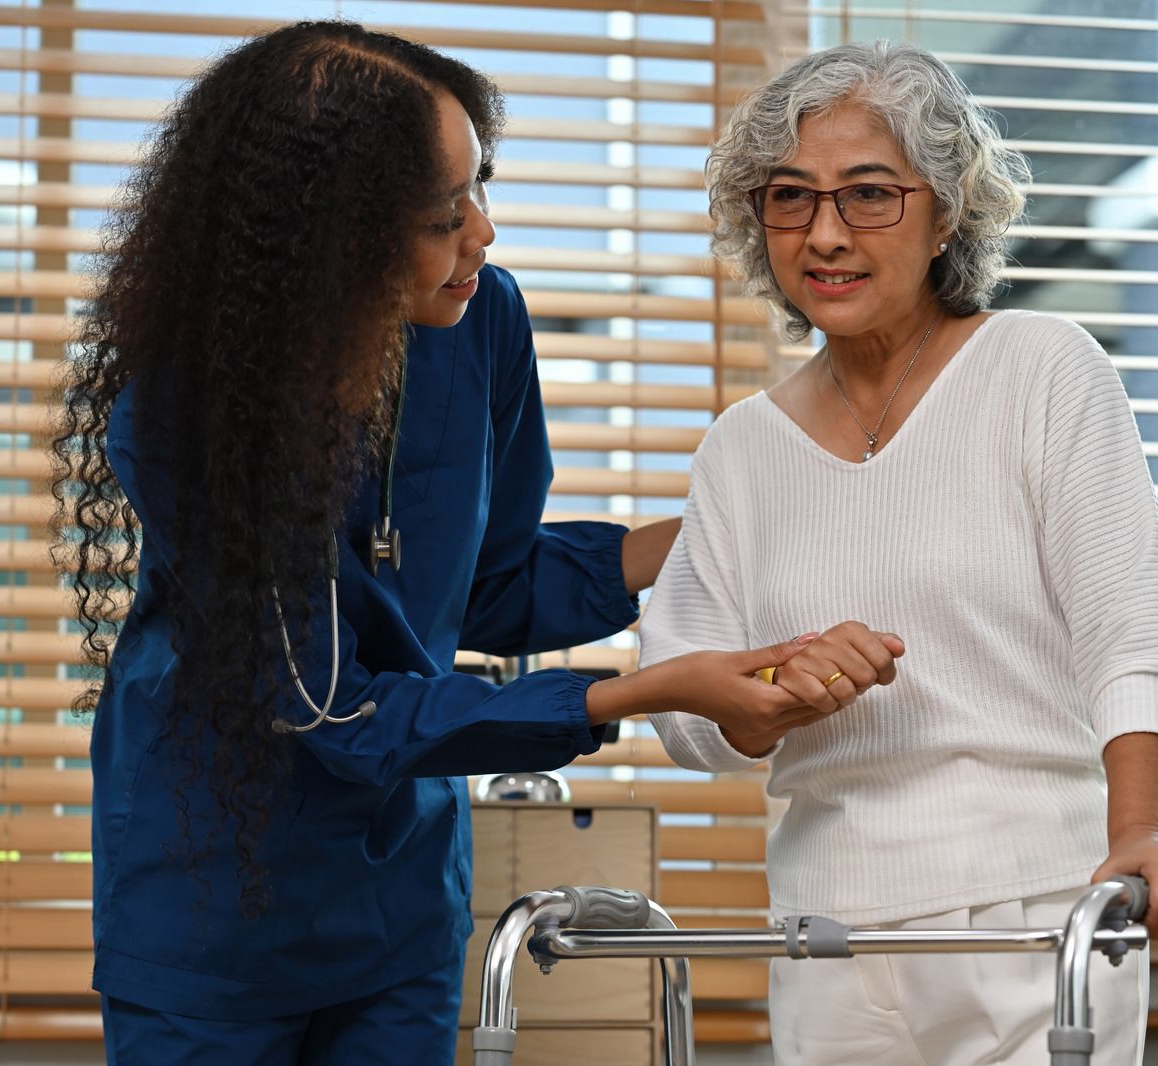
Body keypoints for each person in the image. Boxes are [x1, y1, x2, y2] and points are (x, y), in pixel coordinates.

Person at [50, 22, 897, 1065]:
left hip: (400, 893)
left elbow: (494, 586)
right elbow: (330, 706)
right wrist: (649, 688)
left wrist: (727, 527)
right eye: (443, 217)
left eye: (480, 190)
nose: (484, 234)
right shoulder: (186, 411)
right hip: (213, 911)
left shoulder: (477, 318)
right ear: (332, 238)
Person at [640, 40, 1158, 1066]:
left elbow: (1129, 629)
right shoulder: (740, 448)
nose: (825, 233)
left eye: (868, 195)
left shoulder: (1039, 371)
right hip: (827, 938)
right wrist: (768, 690)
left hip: (1040, 917)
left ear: (946, 208)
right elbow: (684, 706)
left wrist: (1143, 831)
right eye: (789, 198)